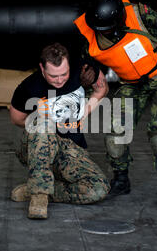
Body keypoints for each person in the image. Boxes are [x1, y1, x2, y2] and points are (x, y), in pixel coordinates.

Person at [74, 0, 157, 211]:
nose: (105, 33)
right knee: (115, 133)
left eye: (109, 29)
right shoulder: (93, 32)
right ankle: (121, 180)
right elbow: (90, 66)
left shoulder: (143, 16)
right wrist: (87, 83)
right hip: (131, 83)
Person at [9, 43, 110, 219]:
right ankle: (39, 197)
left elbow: (102, 88)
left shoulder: (83, 70)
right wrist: (40, 122)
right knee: (42, 124)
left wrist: (84, 111)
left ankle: (38, 188)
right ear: (42, 68)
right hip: (39, 147)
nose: (60, 80)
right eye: (53, 75)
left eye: (64, 74)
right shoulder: (29, 87)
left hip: (71, 150)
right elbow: (17, 119)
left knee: (98, 188)